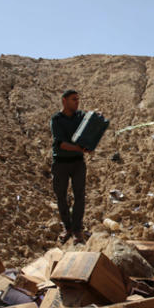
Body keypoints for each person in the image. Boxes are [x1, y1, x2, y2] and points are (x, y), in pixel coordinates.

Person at [50, 89, 92, 244]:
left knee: (79, 196)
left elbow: (90, 120)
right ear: (64, 101)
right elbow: (61, 144)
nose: (77, 102)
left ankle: (77, 229)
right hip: (61, 163)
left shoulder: (80, 116)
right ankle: (67, 227)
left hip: (77, 163)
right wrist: (80, 148)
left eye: (78, 99)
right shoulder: (57, 119)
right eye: (74, 99)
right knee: (61, 196)